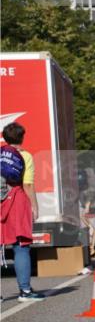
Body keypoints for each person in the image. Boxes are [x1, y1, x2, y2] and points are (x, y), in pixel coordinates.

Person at [1, 122, 43, 301]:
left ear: (4, 137)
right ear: (22, 137)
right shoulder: (25, 156)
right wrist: (34, 205)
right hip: (16, 200)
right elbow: (27, 184)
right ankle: (25, 291)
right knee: (21, 246)